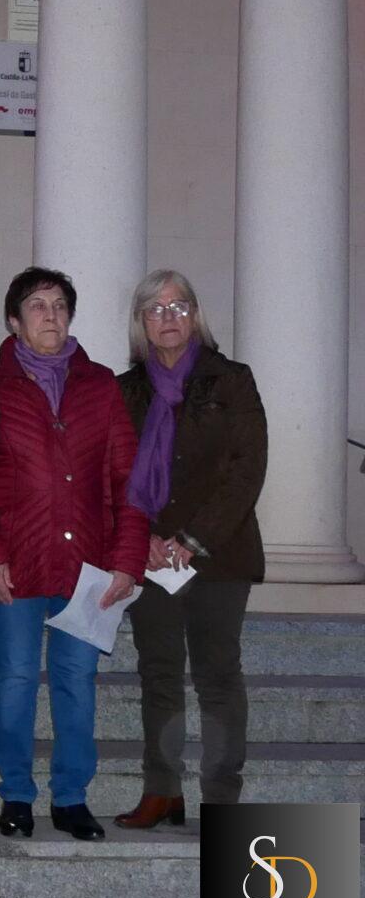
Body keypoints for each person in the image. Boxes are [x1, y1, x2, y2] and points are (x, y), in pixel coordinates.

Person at [0, 267, 148, 841]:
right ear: (14, 321)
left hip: (88, 567)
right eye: (37, 305)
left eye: (59, 305)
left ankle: (72, 798)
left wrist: (127, 558)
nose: (50, 315)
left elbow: (130, 477)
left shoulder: (100, 386)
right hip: (17, 562)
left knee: (76, 679)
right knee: (16, 677)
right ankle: (17, 796)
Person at [115, 271, 266, 827]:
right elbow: (114, 476)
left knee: (218, 675)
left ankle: (222, 798)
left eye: (180, 305)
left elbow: (247, 469)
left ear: (196, 314)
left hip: (219, 555)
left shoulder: (232, 381)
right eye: (156, 308)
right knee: (158, 673)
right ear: (142, 322)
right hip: (152, 557)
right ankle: (162, 790)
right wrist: (145, 540)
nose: (169, 316)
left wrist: (193, 539)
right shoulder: (125, 390)